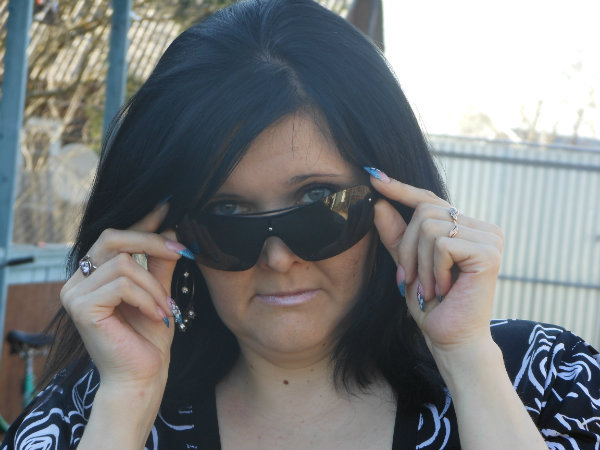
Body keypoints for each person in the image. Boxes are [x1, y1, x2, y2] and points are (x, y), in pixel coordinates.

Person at [2, 0, 599, 449]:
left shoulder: (545, 381)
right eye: (227, 216)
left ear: (393, 202)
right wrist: (126, 405)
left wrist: (468, 361)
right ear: (168, 236)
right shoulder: (83, 415)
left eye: (317, 203)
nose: (278, 258)